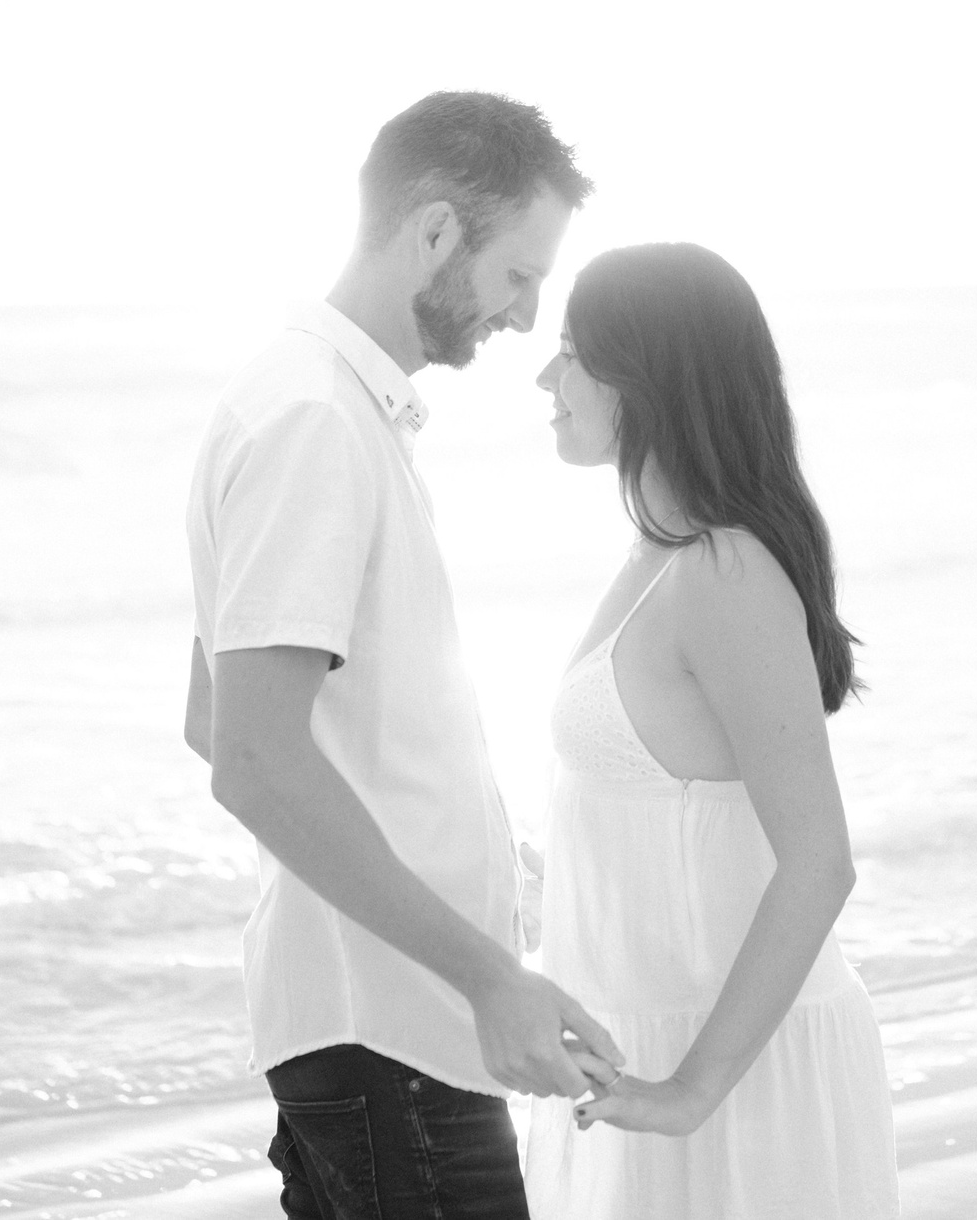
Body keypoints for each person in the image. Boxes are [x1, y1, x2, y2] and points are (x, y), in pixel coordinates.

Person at [183, 91, 623, 1219]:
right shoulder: (314, 424)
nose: (525, 320)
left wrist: (491, 867)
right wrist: (487, 976)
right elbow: (254, 760)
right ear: (433, 232)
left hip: (379, 1031)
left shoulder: (319, 407)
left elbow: (217, 718)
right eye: (518, 277)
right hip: (392, 1040)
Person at [524, 242, 901, 1219]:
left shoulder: (724, 572)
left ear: (646, 377)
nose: (543, 377)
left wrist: (692, 1090)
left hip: (728, 1080)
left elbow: (819, 863)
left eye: (571, 352)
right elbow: (648, 817)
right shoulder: (660, 549)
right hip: (640, 1061)